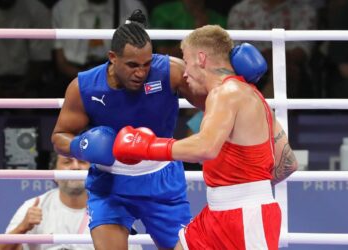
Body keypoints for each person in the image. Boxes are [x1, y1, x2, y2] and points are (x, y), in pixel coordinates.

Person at [113, 25, 299, 249]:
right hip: (218, 212)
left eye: (186, 61)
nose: (184, 72)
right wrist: (249, 186)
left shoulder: (225, 93)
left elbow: (206, 147)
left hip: (245, 217)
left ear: (201, 58)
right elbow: (288, 163)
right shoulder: (251, 95)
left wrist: (147, 147)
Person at [51, 9, 203, 250]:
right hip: (110, 183)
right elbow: (59, 137)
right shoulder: (85, 87)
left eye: (146, 64)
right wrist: (82, 145)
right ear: (112, 57)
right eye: (132, 65)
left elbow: (212, 99)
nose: (141, 72)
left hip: (161, 179)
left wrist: (228, 76)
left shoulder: (169, 72)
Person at [0, 153, 142, 250]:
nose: (75, 167)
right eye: (67, 162)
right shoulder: (34, 206)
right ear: (53, 172)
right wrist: (22, 228)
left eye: (82, 161)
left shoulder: (113, 212)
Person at [51, 0, 148, 95]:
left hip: (120, 76)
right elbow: (61, 62)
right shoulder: (62, 7)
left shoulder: (134, 8)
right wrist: (88, 80)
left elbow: (140, 58)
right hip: (73, 75)